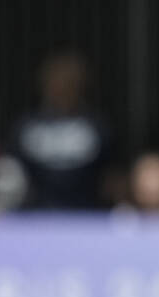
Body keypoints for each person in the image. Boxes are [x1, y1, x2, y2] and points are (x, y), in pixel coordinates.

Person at [7, 50, 116, 210]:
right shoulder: (26, 125)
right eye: (57, 80)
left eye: (69, 82)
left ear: (80, 85)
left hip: (86, 215)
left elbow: (111, 175)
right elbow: (10, 171)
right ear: (45, 84)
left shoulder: (97, 125)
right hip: (35, 215)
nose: (62, 87)